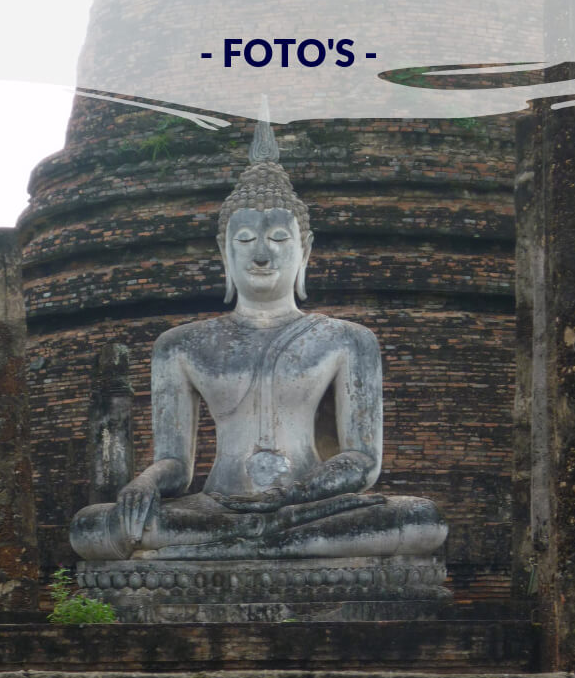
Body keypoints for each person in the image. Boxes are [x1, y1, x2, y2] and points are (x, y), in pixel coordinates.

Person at [70, 122, 447, 561]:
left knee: (422, 519)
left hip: (310, 505)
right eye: (246, 239)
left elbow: (363, 460)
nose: (262, 254)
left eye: (279, 239)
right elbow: (176, 465)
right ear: (224, 249)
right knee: (92, 526)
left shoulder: (347, 340)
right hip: (218, 505)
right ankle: (269, 544)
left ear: (305, 249)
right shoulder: (179, 346)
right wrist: (145, 483)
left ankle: (238, 546)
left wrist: (298, 493)